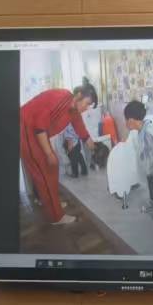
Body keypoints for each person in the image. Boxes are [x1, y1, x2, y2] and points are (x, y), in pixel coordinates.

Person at [19, 81, 97, 226]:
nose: (86, 109)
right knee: (45, 172)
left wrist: (89, 142)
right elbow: (39, 127)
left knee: (51, 169)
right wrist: (49, 153)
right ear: (79, 96)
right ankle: (56, 217)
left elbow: (79, 126)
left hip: (35, 132)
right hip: (25, 129)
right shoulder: (60, 98)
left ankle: (51, 203)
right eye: (87, 104)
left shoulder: (73, 109)